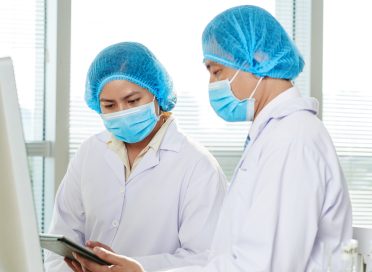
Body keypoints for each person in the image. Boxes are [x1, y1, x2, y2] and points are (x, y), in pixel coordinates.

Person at [70, 5, 352, 272]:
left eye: (217, 71)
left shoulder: (292, 141)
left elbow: (262, 266)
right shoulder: (276, 136)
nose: (213, 84)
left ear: (259, 59)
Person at [44, 42, 227, 272]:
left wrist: (138, 269)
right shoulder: (89, 152)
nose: (122, 112)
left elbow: (205, 258)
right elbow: (59, 242)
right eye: (109, 105)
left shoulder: (198, 166)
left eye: (132, 101)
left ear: (157, 94)